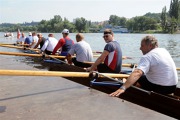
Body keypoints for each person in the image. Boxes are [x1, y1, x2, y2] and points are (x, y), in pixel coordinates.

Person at [110, 35, 178, 96]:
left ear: (150, 46)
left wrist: (123, 88)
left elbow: (138, 73)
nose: (140, 48)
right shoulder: (163, 51)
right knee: (141, 76)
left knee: (136, 75)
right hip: (172, 88)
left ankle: (132, 93)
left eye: (142, 46)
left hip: (161, 88)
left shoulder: (147, 56)